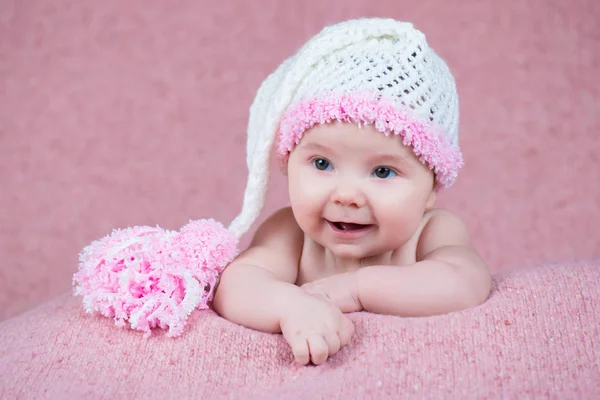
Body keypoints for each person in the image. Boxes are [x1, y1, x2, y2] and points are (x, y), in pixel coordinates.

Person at [211, 17, 492, 366]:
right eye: (322, 164)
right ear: (288, 159)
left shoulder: (431, 232)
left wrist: (357, 289)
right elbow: (236, 286)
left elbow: (467, 282)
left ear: (432, 186)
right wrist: (289, 306)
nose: (346, 195)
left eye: (382, 171)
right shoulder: (290, 232)